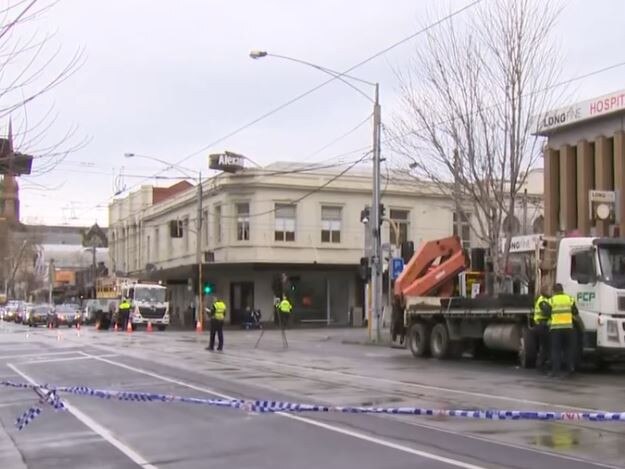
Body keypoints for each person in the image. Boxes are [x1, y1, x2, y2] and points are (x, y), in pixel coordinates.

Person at [546, 283, 578, 377]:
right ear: (562, 290)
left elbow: (547, 312)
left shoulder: (551, 300)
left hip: (556, 329)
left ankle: (555, 371)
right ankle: (570, 369)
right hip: (568, 328)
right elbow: (575, 311)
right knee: (568, 349)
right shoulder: (569, 299)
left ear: (554, 291)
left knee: (556, 350)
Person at [534, 287, 551, 373]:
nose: (549, 291)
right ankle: (540, 366)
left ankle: (543, 365)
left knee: (545, 346)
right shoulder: (542, 300)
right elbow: (547, 312)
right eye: (548, 290)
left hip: (544, 325)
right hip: (542, 325)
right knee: (544, 347)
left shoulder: (547, 299)